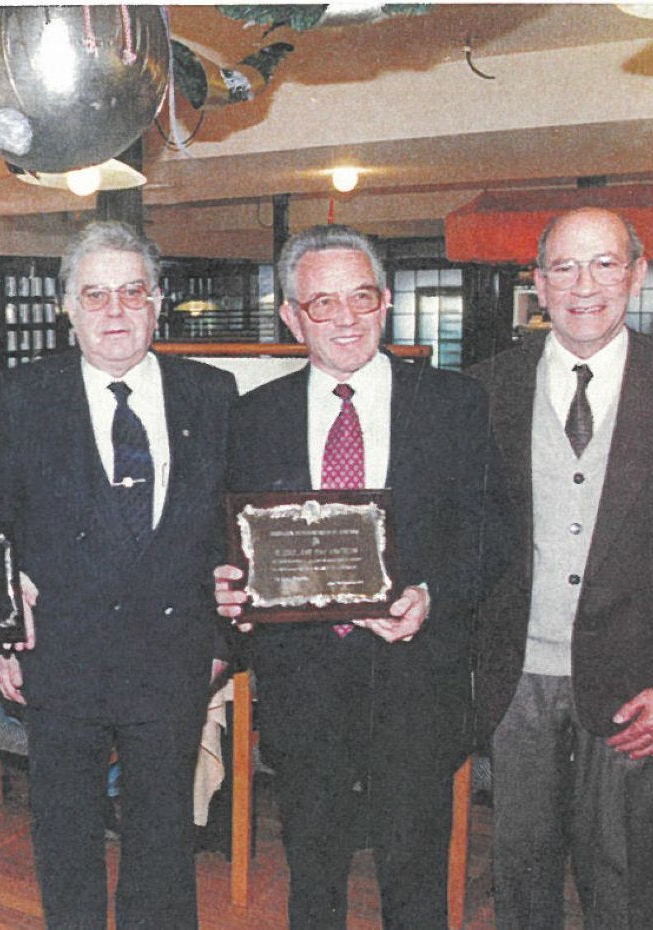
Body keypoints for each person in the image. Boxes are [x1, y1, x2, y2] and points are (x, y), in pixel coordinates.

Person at [214, 224, 504, 929]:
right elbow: (230, 545)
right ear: (290, 315)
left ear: (386, 303)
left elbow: (492, 539)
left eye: (360, 297)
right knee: (312, 875)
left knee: (415, 878)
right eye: (321, 303)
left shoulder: (454, 404)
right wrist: (230, 589)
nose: (344, 318)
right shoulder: (252, 418)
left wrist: (431, 597)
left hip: (415, 684)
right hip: (302, 686)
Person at [470, 207, 653, 930]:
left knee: (627, 875)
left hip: (639, 685)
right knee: (521, 872)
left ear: (638, 271)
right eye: (563, 267)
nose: (584, 285)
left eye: (603, 263)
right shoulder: (485, 389)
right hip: (516, 680)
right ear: (538, 283)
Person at [0, 221, 237, 929]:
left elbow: (232, 531)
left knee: (164, 843)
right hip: (59, 658)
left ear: (158, 301)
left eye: (132, 291)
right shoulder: (24, 397)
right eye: (94, 294)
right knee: (64, 840)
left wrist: (224, 638)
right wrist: (0, 637)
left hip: (175, 656)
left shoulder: (212, 395)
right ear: (67, 307)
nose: (116, 310)